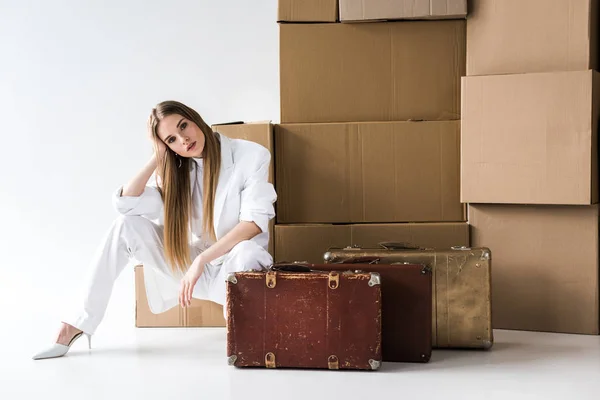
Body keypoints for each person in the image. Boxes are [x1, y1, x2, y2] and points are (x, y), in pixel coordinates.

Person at [32, 100, 277, 360]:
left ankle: (242, 334)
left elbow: (253, 224)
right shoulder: (176, 171)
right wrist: (157, 158)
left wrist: (203, 260)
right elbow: (125, 204)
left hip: (234, 266)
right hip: (193, 273)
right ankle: (76, 323)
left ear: (195, 119)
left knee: (248, 252)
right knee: (126, 226)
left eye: (184, 126)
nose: (184, 140)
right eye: (171, 139)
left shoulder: (250, 155)